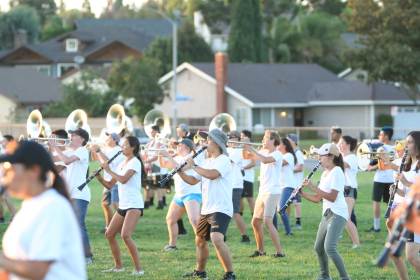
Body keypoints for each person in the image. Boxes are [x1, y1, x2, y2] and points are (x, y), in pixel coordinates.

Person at [0, 141, 86, 279]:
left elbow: (38, 270)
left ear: (34, 170)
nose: (4, 177)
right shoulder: (29, 207)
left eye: (10, 170)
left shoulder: (53, 207)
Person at [178, 129, 236, 280]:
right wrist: (180, 172)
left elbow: (212, 175)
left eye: (207, 140)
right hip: (207, 208)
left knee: (216, 238)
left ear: (216, 143)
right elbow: (192, 181)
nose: (204, 143)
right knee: (200, 240)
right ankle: (200, 271)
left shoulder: (224, 160)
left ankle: (230, 273)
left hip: (221, 207)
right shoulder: (206, 161)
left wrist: (194, 166)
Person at [95, 136, 145, 276]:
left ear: (133, 147)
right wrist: (99, 177)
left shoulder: (135, 162)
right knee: (109, 234)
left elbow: (123, 180)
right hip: (124, 205)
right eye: (122, 145)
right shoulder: (122, 163)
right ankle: (118, 267)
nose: (122, 147)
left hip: (134, 205)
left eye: (124, 145)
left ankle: (139, 269)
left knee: (125, 235)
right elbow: (110, 185)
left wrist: (109, 169)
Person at [301, 143, 350, 280]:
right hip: (327, 214)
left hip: (338, 214)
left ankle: (345, 277)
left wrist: (312, 186)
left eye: (320, 156)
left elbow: (332, 197)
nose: (319, 159)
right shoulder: (324, 174)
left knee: (330, 248)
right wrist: (302, 194)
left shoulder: (337, 172)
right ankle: (324, 276)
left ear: (330, 156)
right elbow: (318, 199)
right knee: (318, 247)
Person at [49, 128, 93, 264]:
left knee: (79, 225)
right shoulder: (69, 151)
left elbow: (66, 161)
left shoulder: (82, 150)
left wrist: (55, 146)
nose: (71, 136)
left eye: (74, 135)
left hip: (80, 194)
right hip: (70, 194)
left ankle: (87, 257)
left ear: (82, 139)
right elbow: (54, 160)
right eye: (71, 134)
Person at [244, 130, 285, 258]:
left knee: (267, 221)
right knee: (255, 222)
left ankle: (280, 252)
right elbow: (246, 157)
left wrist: (253, 149)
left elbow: (266, 160)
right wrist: (245, 146)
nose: (262, 140)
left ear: (273, 140)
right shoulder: (263, 151)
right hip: (263, 191)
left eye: (265, 138)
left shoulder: (277, 154)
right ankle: (260, 251)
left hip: (273, 191)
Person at [386, 131, 420, 280]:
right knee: (393, 252)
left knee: (412, 257)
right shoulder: (405, 164)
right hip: (401, 211)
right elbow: (405, 192)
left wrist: (405, 182)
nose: (407, 145)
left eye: (410, 142)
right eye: (406, 142)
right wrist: (397, 189)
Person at [159, 138, 202, 251]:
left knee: (194, 220)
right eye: (177, 145)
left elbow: (179, 167)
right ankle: (172, 245)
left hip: (191, 193)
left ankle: (202, 245)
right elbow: (163, 164)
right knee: (170, 219)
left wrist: (167, 155)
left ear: (187, 147)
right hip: (179, 194)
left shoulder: (191, 157)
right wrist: (160, 153)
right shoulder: (176, 158)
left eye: (180, 145)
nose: (177, 146)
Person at [91, 132, 123, 233]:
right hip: (107, 180)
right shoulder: (106, 150)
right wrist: (93, 150)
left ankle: (121, 227)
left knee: (115, 204)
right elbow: (95, 159)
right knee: (105, 204)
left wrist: (99, 150)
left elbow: (110, 162)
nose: (106, 139)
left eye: (108, 138)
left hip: (116, 181)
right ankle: (108, 226)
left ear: (114, 140)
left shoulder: (118, 150)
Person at [367, 127, 395, 232]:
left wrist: (370, 168)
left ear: (386, 136)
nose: (379, 136)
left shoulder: (380, 148)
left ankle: (376, 227)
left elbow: (381, 164)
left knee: (376, 203)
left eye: (381, 134)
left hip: (380, 179)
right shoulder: (395, 148)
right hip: (391, 180)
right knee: (391, 204)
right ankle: (393, 226)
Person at [337, 135, 361, 248]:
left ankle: (356, 243)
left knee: (346, 218)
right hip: (341, 189)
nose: (339, 145)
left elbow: (343, 165)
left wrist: (332, 156)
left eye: (341, 143)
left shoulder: (351, 157)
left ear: (348, 145)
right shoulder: (341, 156)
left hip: (349, 190)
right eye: (339, 143)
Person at [227, 131, 250, 243]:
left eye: (233, 138)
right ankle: (222, 234)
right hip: (227, 184)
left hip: (235, 185)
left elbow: (228, 161)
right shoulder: (228, 150)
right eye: (229, 137)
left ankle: (245, 236)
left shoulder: (237, 151)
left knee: (235, 212)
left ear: (238, 139)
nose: (231, 139)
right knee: (225, 211)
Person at [277, 137, 297, 236]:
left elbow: (280, 163)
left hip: (288, 186)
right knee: (275, 210)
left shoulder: (288, 155)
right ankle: (275, 229)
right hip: (279, 186)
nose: (277, 146)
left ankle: (289, 231)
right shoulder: (280, 155)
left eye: (279, 144)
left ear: (284, 145)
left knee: (281, 209)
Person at [286, 134, 304, 230]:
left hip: (296, 183)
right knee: (287, 203)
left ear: (293, 141)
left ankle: (298, 222)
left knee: (296, 203)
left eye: (288, 140)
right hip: (290, 182)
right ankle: (287, 221)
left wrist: (290, 170)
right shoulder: (291, 152)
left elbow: (300, 167)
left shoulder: (298, 153)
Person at [0, 134, 17, 223]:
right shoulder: (4, 150)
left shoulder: (10, 151)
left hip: (8, 177)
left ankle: (15, 215)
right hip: (3, 177)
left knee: (5, 197)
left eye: (3, 141)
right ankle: (2, 217)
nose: (1, 142)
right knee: (3, 198)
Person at [239, 130, 256, 217]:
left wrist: (242, 168)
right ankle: (240, 216)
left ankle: (254, 216)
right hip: (240, 178)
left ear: (248, 138)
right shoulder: (240, 148)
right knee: (240, 198)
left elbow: (253, 163)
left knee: (249, 198)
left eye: (242, 136)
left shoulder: (251, 148)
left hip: (247, 178)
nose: (241, 138)